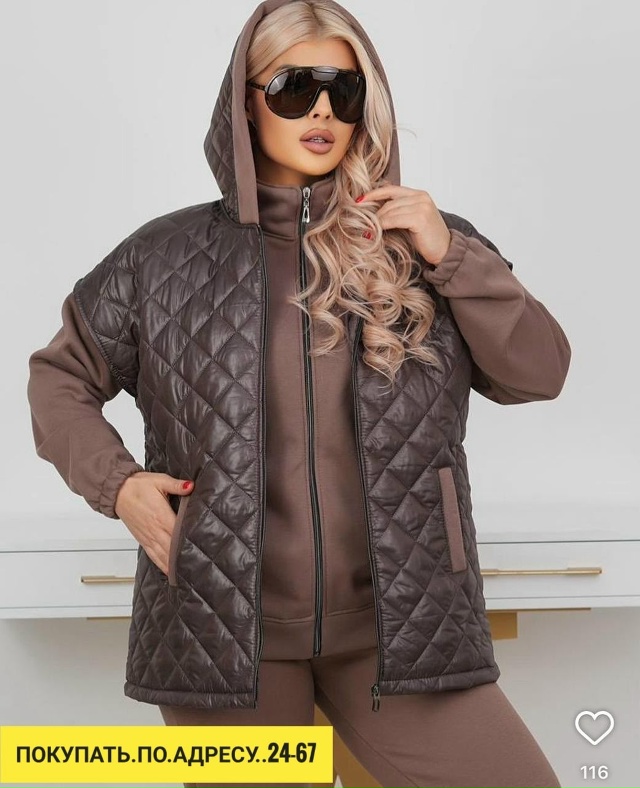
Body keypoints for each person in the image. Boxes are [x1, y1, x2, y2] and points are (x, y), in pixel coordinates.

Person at [27, 1, 571, 786]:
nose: (321, 110)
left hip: (401, 632)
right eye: (292, 87)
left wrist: (451, 254)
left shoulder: (422, 246)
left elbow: (539, 372)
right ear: (245, 102)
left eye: (343, 91)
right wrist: (120, 487)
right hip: (223, 635)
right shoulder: (161, 258)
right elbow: (60, 378)